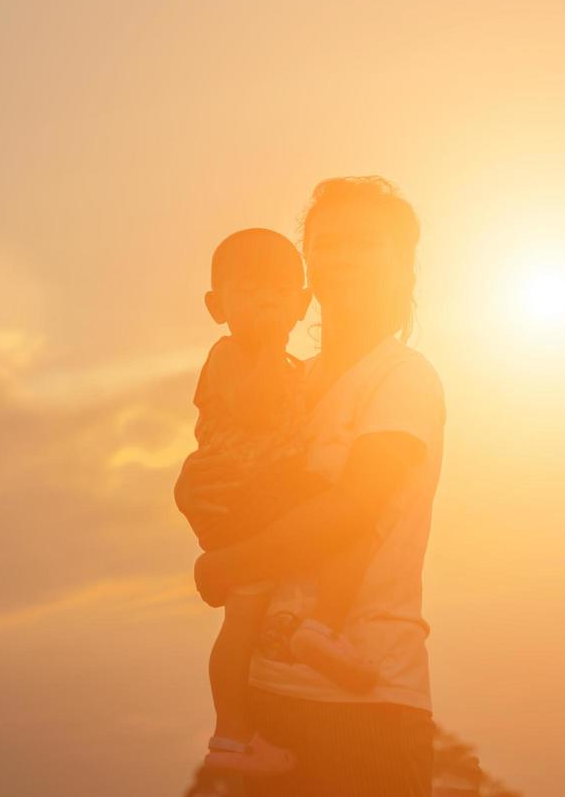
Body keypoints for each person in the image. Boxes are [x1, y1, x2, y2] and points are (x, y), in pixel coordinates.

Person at [176, 176, 445, 796]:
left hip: (369, 698)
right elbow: (241, 478)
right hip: (270, 693)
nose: (344, 258)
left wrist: (228, 562)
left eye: (366, 244)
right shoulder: (291, 387)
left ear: (401, 264)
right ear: (307, 269)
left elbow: (352, 509)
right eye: (328, 244)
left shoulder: (402, 378)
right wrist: (188, 493)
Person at [191, 228, 385, 778]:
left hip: (270, 489)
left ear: (301, 302)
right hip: (244, 494)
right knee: (246, 612)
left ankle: (315, 631)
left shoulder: (295, 368)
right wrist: (270, 345)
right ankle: (230, 735)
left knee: (345, 522)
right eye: (250, 292)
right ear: (217, 306)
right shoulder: (229, 355)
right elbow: (252, 410)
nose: (267, 302)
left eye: (280, 291)